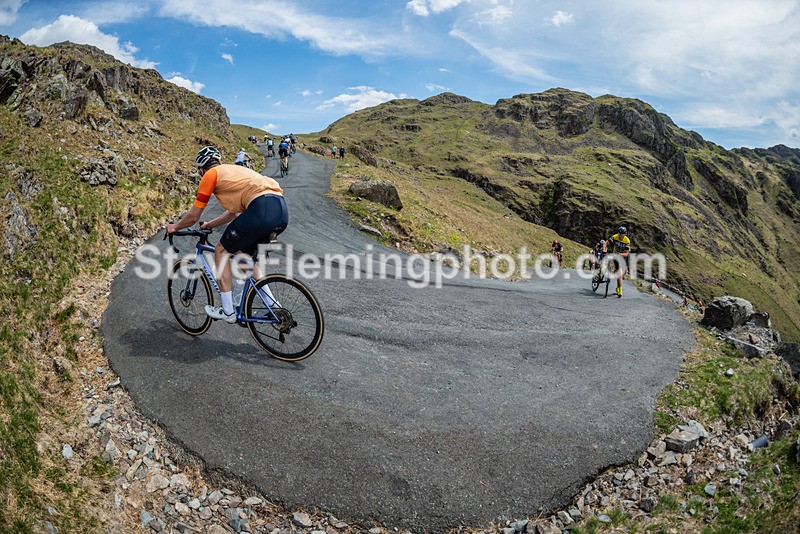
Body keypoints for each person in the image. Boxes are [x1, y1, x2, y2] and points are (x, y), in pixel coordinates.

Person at [166, 146, 288, 323]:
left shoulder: (211, 174)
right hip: (280, 210)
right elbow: (234, 213)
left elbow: (193, 216)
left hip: (261, 208)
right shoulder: (235, 171)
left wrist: (175, 227)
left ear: (201, 169)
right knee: (241, 256)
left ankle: (228, 311)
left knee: (221, 250)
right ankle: (273, 306)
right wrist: (210, 224)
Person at [602, 226, 631, 298]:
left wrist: (620, 254)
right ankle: (600, 274)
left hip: (622, 256)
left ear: (625, 234)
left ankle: (619, 289)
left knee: (621, 273)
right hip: (615, 255)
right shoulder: (615, 237)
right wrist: (604, 250)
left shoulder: (627, 240)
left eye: (622, 234)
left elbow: (626, 253)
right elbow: (605, 243)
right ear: (618, 233)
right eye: (620, 234)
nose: (621, 235)